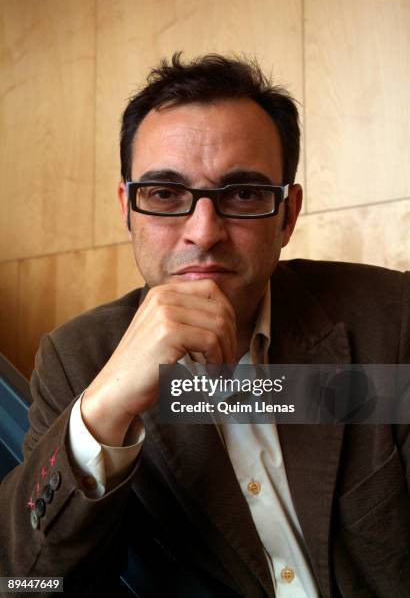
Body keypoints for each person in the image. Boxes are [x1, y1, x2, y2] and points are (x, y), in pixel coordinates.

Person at [0, 52, 409, 598]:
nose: (203, 232)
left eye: (242, 194)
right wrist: (103, 414)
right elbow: (29, 585)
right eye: (165, 194)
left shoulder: (392, 316)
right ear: (128, 209)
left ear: (287, 215)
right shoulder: (76, 362)